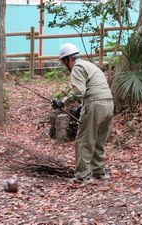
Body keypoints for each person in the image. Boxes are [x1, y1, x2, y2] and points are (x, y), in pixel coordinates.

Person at [51, 43, 114, 184]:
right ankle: (99, 172)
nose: (63, 65)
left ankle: (83, 176)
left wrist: (62, 102)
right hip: (108, 103)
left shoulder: (77, 68)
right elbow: (93, 87)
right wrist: (82, 105)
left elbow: (80, 90)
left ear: (68, 59)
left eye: (63, 62)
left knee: (84, 141)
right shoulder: (89, 65)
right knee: (99, 139)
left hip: (96, 104)